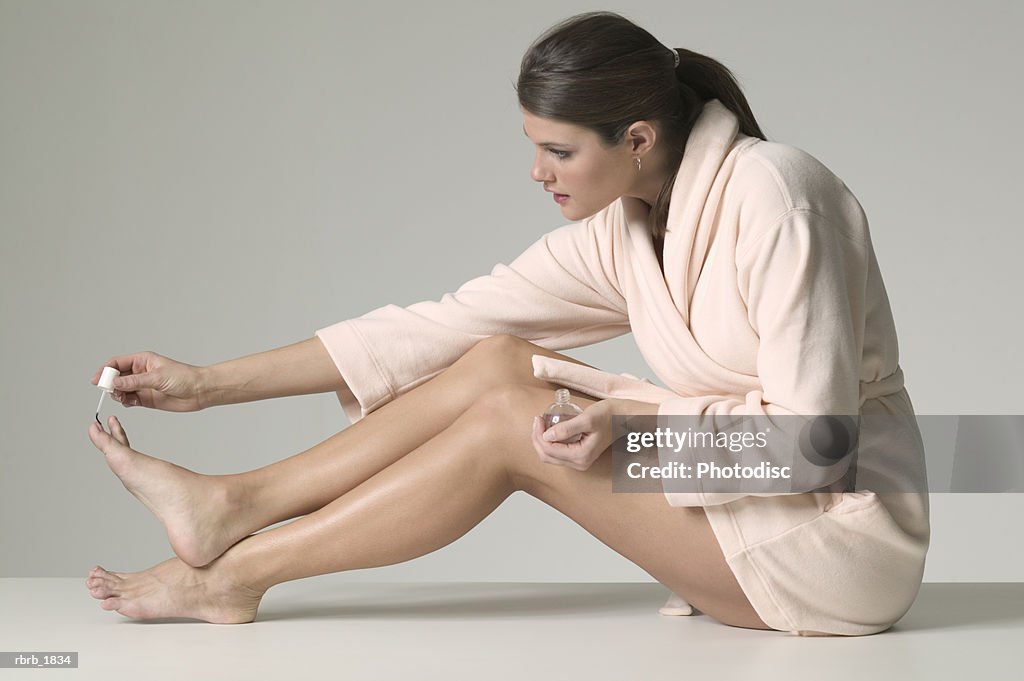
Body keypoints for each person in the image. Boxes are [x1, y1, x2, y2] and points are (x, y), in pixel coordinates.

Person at [84, 11, 929, 635]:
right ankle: (235, 502)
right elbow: (444, 328)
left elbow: (817, 445)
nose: (536, 172)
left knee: (511, 430)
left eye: (558, 151)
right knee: (496, 364)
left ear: (637, 138)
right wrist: (206, 383)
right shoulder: (635, 222)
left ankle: (234, 576)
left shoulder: (778, 195)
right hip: (737, 508)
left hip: (835, 533)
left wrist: (632, 427)